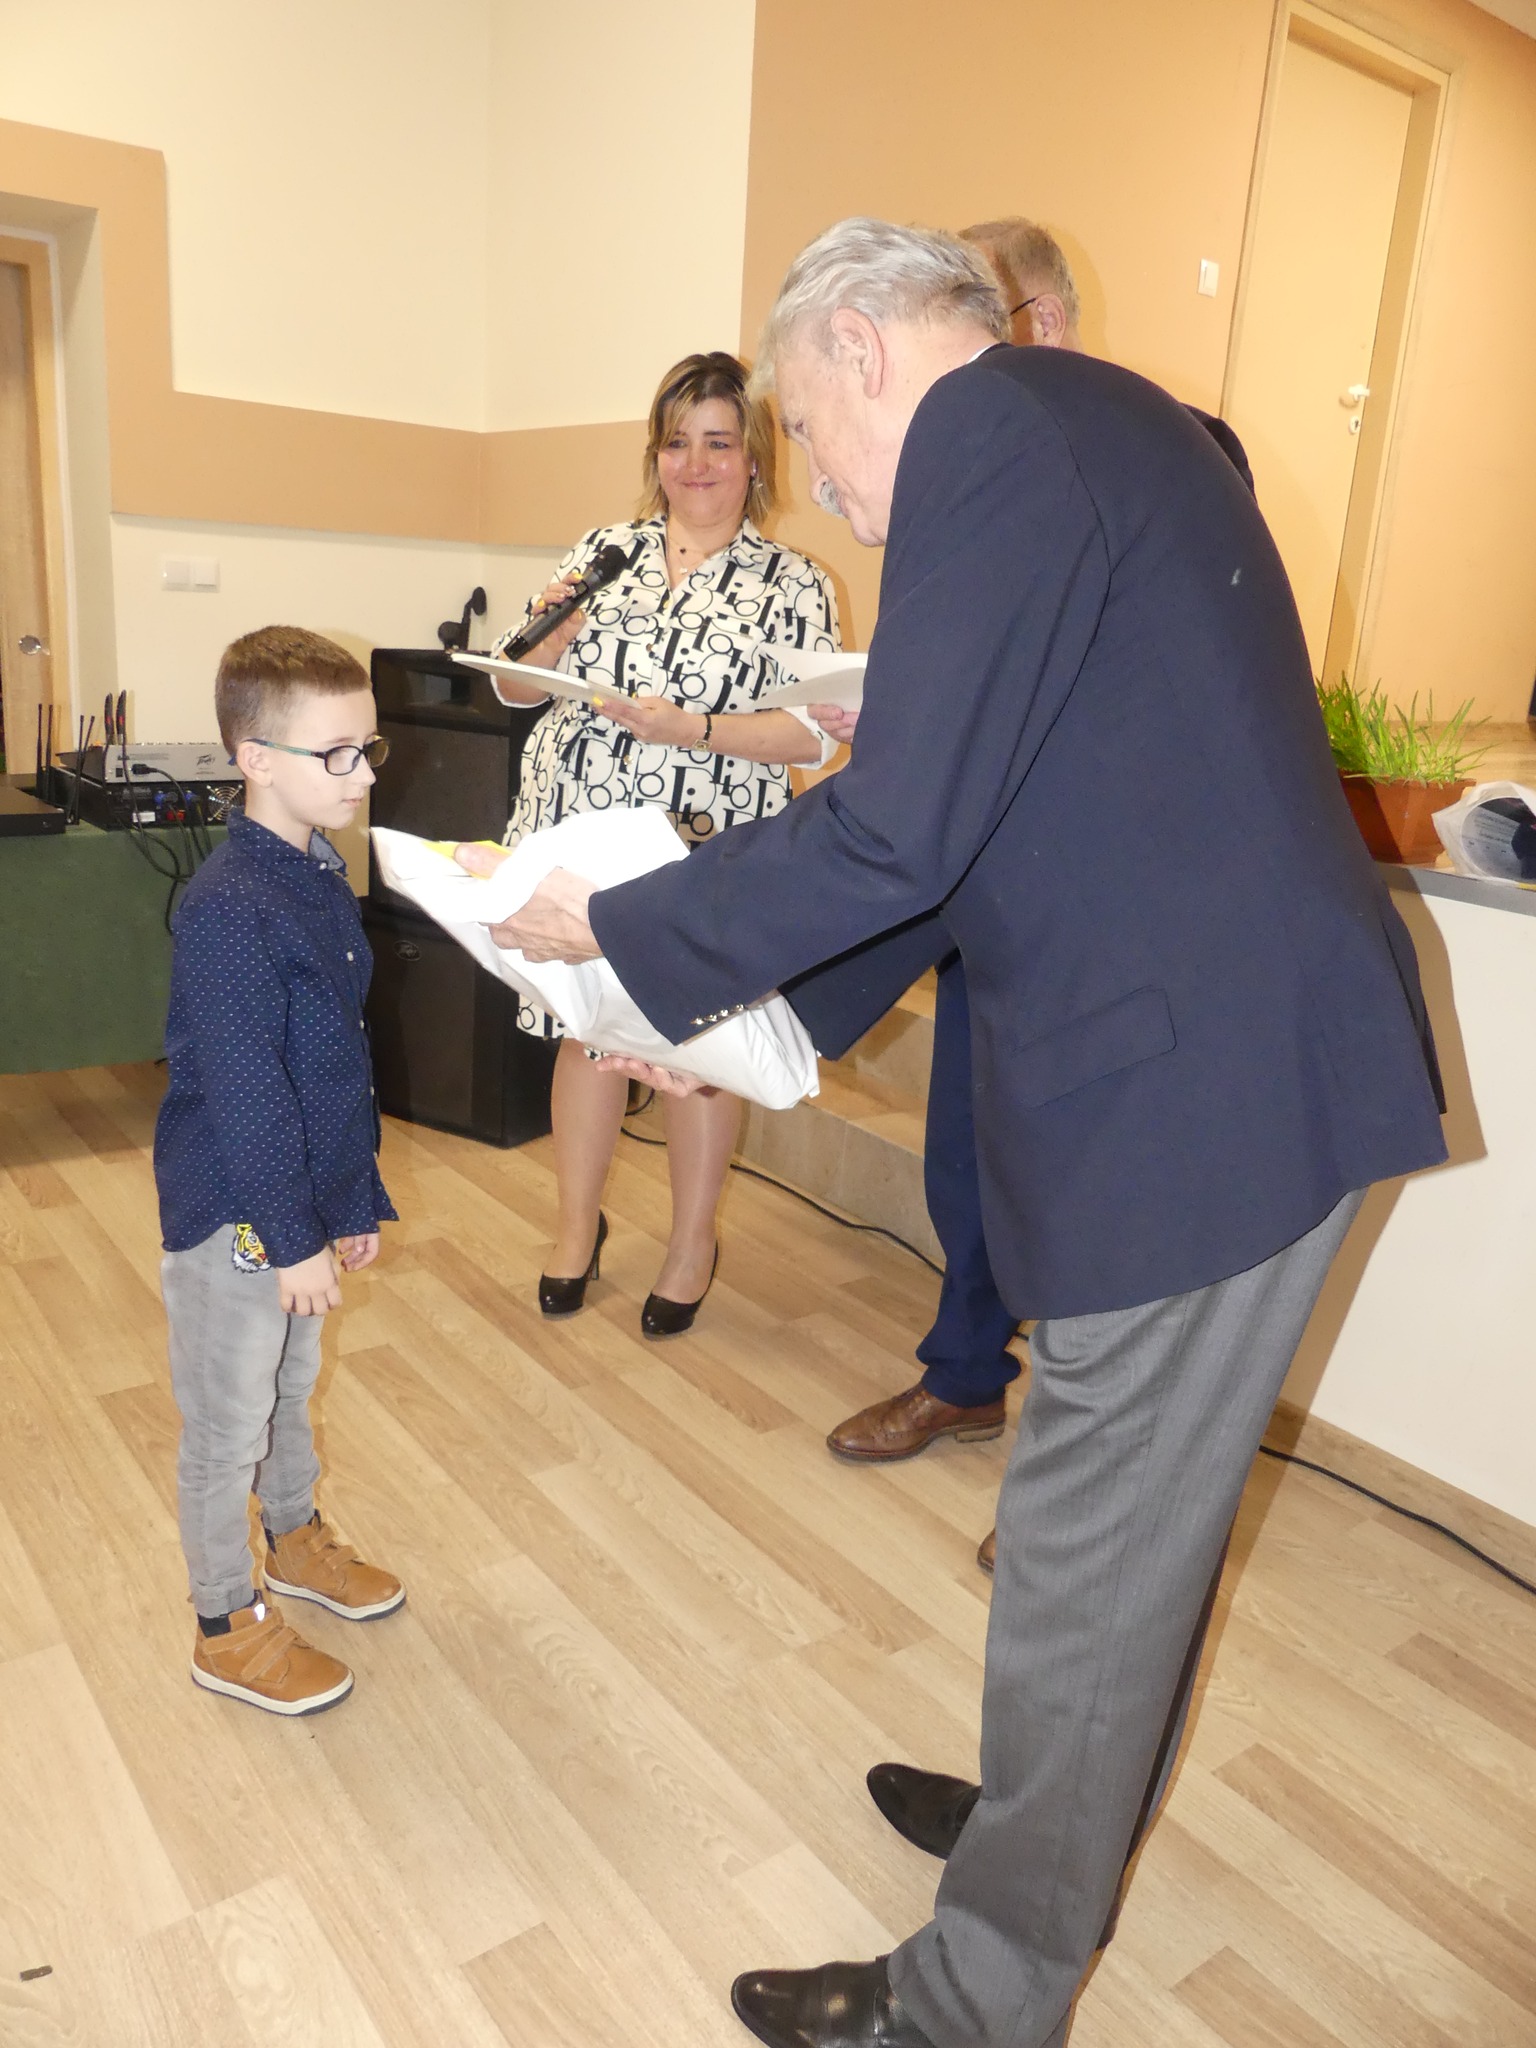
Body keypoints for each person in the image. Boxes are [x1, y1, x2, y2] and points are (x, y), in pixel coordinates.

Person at [490, 219, 1447, 2048]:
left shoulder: (994, 433)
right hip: (1234, 1060)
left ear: (858, 348)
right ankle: (1042, 1824)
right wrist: (747, 1027)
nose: (838, 500)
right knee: (1110, 1538)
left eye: (807, 433)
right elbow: (977, 828)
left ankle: (974, 2000)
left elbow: (901, 825)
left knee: (1092, 1548)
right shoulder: (1101, 424)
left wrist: (619, 929)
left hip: (1205, 1092)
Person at [820, 218, 1253, 1582]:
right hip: (983, 902)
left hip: (1113, 945)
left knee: (1081, 1204)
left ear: (1041, 323)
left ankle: (1067, 1482)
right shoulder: (969, 467)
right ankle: (965, 1376)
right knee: (970, 1157)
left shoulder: (1165, 444)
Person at [481, 349, 840, 1338]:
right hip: (580, 831)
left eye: (718, 443)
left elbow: (812, 738)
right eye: (677, 443)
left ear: (754, 458)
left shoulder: (794, 584)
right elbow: (510, 685)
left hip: (706, 848)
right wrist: (545, 640)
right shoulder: (605, 550)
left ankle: (690, 1244)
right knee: (588, 1034)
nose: (696, 464)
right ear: (656, 456)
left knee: (699, 1042)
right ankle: (574, 1228)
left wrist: (694, 727)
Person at [154, 625, 404, 1717]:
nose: (361, 774)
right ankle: (224, 1622)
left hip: (296, 1206)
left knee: (290, 1386)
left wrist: (349, 1200)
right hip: (235, 1214)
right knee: (227, 1421)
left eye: (367, 749)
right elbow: (249, 1090)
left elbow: (334, 1061)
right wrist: (292, 1236)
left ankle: (293, 1535)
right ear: (254, 757)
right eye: (335, 753)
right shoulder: (228, 906)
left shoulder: (314, 871)